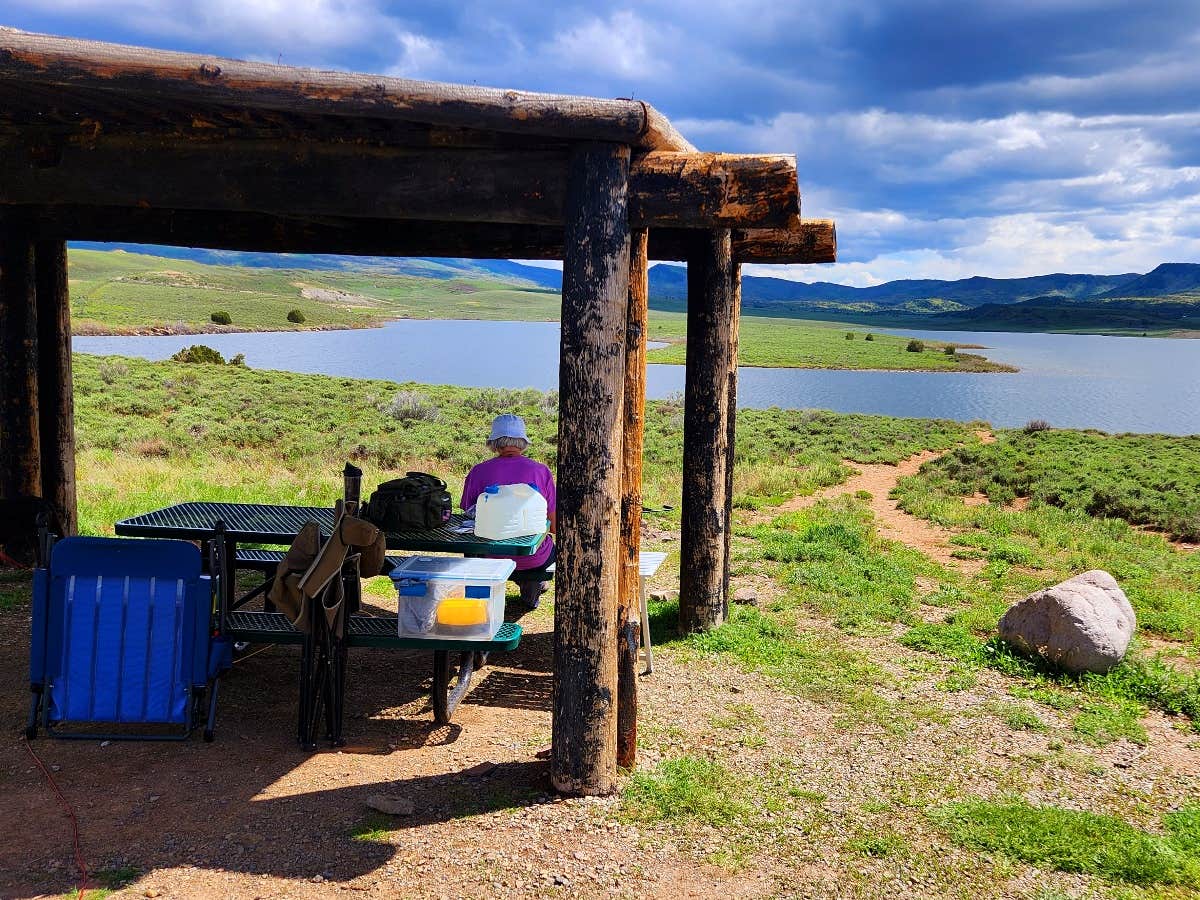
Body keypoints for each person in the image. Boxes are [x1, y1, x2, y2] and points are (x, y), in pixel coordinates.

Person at [460, 413, 556, 607]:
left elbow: (468, 511)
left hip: (489, 555)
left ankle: (484, 593)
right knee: (543, 544)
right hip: (533, 558)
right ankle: (531, 588)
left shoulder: (479, 471)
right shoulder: (541, 471)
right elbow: (552, 523)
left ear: (495, 442)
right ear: (522, 441)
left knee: (472, 547)